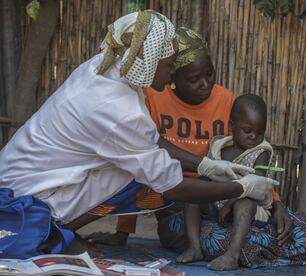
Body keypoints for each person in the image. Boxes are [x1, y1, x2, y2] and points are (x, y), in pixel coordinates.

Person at [0, 11, 277, 257]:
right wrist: (243, 188)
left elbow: (148, 140)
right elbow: (171, 185)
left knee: (144, 171)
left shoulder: (107, 67)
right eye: (169, 66)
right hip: (23, 196)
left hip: (29, 176)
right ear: (149, 62)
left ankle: (60, 231)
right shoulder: (118, 110)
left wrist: (204, 164)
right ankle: (55, 235)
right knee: (148, 182)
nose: (170, 76)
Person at [87, 26, 237, 246]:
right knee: (188, 236)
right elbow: (138, 163)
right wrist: (123, 233)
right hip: (171, 195)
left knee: (278, 231)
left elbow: (246, 149)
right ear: (172, 77)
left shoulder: (225, 99)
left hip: (213, 191)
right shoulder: (154, 97)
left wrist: (273, 200)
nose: (205, 84)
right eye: (194, 79)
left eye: (209, 74)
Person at [177, 94, 279, 270]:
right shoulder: (219, 147)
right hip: (217, 202)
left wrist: (230, 204)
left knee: (245, 203)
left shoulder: (261, 152)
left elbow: (255, 183)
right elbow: (208, 177)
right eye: (248, 131)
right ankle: (194, 247)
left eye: (259, 132)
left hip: (251, 208)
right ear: (232, 126)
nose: (254, 137)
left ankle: (232, 255)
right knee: (194, 193)